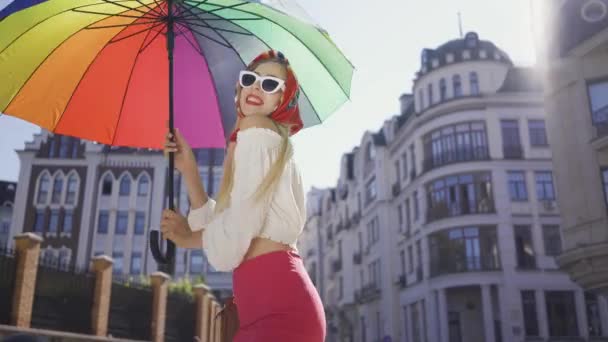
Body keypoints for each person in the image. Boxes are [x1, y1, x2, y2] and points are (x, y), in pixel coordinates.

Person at [160, 50, 325, 341]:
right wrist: (189, 170)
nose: (257, 86)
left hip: (279, 310)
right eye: (250, 79)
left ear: (281, 101)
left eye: (270, 84)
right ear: (239, 89)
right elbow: (230, 221)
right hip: (272, 306)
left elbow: (239, 227)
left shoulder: (258, 128)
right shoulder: (254, 143)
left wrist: (188, 238)